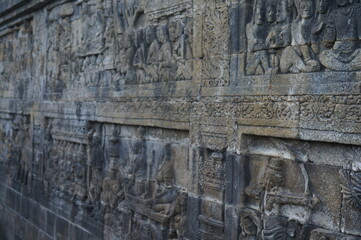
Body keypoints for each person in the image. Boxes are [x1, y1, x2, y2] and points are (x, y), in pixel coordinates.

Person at [319, 0, 361, 71]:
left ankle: (338, 68)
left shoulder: (357, 10)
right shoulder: (333, 14)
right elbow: (329, 41)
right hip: (336, 53)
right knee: (323, 55)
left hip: (355, 53)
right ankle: (348, 67)